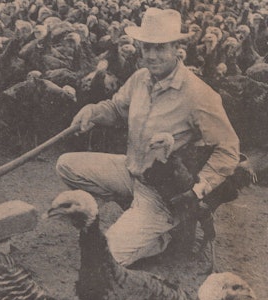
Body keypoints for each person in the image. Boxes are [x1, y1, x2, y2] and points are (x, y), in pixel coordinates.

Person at [56, 8, 240, 267]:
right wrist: (93, 111)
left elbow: (229, 149)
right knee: (66, 165)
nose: (151, 56)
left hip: (163, 192)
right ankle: (134, 210)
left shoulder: (199, 94)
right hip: (132, 171)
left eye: (160, 48)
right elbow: (116, 109)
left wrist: (198, 189)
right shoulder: (141, 77)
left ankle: (163, 236)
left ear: (176, 48)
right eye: (146, 48)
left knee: (104, 258)